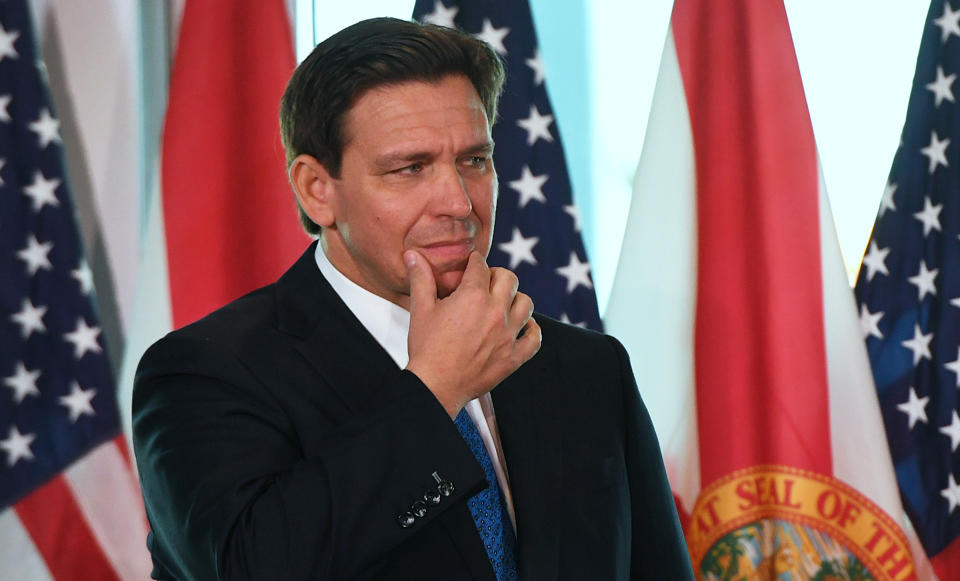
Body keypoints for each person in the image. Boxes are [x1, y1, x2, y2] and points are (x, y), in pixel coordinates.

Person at [133, 17, 693, 581]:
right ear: (316, 189)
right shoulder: (204, 374)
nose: (457, 201)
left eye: (474, 160)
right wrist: (436, 389)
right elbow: (248, 568)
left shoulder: (585, 367)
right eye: (410, 168)